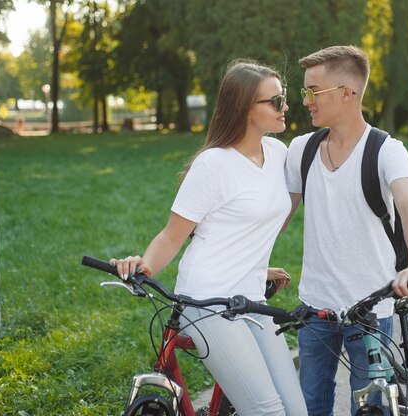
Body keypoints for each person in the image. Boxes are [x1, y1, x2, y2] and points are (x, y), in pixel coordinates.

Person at [112, 60, 307, 416]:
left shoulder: (279, 154)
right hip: (205, 303)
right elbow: (172, 236)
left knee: (297, 411)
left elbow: (258, 225)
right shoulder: (213, 165)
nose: (286, 107)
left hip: (249, 300)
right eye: (275, 101)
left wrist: (255, 269)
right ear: (246, 109)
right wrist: (145, 265)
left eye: (285, 98)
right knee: (268, 412)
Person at [284, 45, 408, 415]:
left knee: (369, 408)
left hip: (370, 309)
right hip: (315, 309)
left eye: (313, 91)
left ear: (347, 93)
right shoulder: (302, 149)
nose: (306, 101)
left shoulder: (386, 151)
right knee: (310, 406)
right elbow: (277, 217)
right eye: (305, 91)